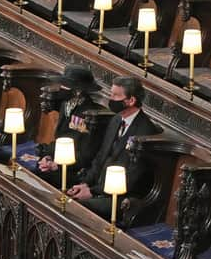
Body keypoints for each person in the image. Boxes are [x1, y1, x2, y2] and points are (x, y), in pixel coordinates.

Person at [66, 76, 161, 220]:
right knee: (66, 197)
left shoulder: (145, 132)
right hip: (99, 188)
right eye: (111, 94)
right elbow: (100, 157)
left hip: (121, 197)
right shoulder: (116, 119)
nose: (110, 99)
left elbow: (132, 178)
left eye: (115, 95)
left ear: (131, 100)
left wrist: (91, 192)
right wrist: (85, 183)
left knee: (75, 207)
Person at [35, 65, 104, 188]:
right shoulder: (65, 104)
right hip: (57, 160)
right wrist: (48, 156)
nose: (61, 88)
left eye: (64, 85)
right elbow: (59, 138)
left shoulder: (89, 113)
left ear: (77, 90)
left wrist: (58, 164)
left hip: (73, 169)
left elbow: (85, 154)